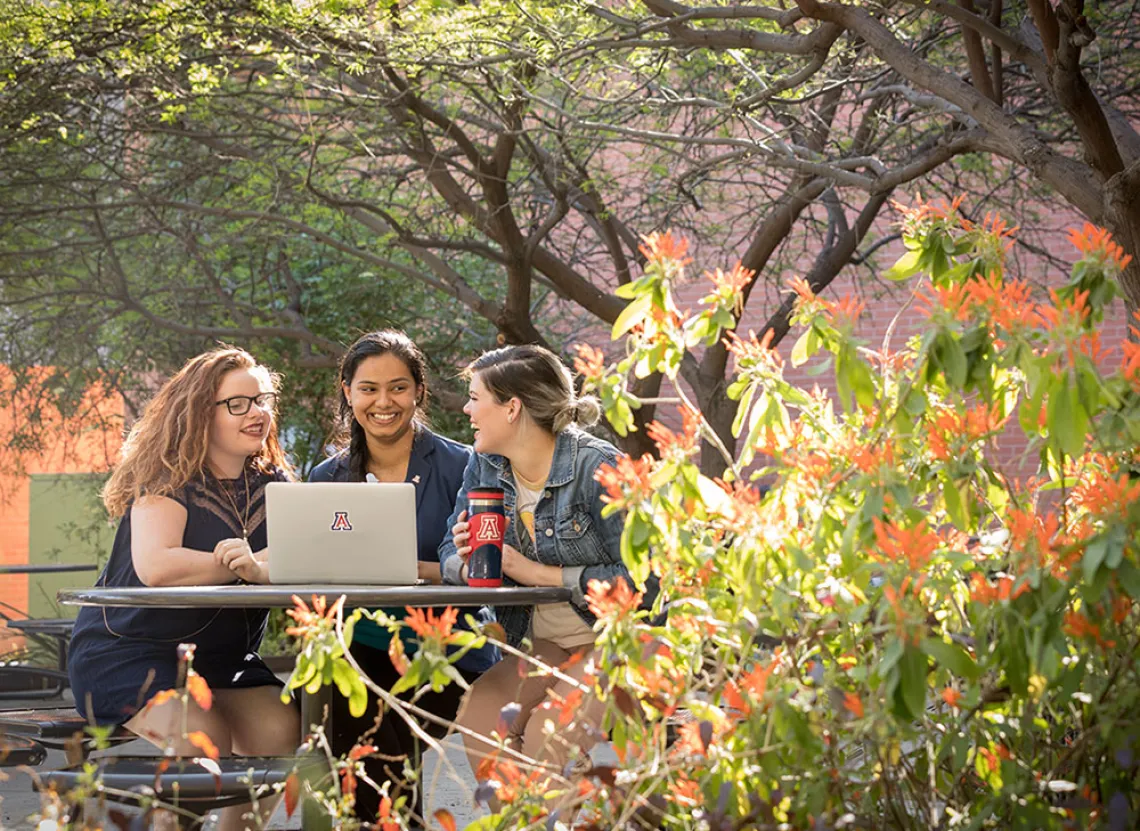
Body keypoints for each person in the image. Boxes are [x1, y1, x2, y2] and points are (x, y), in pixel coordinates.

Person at [67, 347, 300, 831]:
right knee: (203, 738)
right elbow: (158, 566)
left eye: (264, 400)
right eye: (239, 403)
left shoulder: (274, 482)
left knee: (282, 728)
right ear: (200, 412)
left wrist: (259, 567)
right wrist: (243, 565)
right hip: (128, 652)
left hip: (220, 660)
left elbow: (294, 557)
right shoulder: (167, 478)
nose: (258, 413)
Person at [439, 344, 657, 791]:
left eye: (476, 397)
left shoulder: (598, 466)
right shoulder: (486, 463)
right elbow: (447, 548)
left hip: (623, 641)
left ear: (512, 407)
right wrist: (465, 561)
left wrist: (538, 574)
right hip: (548, 643)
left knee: (545, 734)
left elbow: (649, 583)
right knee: (481, 719)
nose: (466, 408)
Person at [308, 330, 498, 821]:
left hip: (448, 640)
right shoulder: (326, 478)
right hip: (359, 639)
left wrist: (424, 572)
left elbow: (489, 566)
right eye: (368, 388)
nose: (383, 402)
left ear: (418, 391)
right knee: (347, 711)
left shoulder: (467, 465)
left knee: (372, 740)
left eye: (397, 387)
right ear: (348, 393)